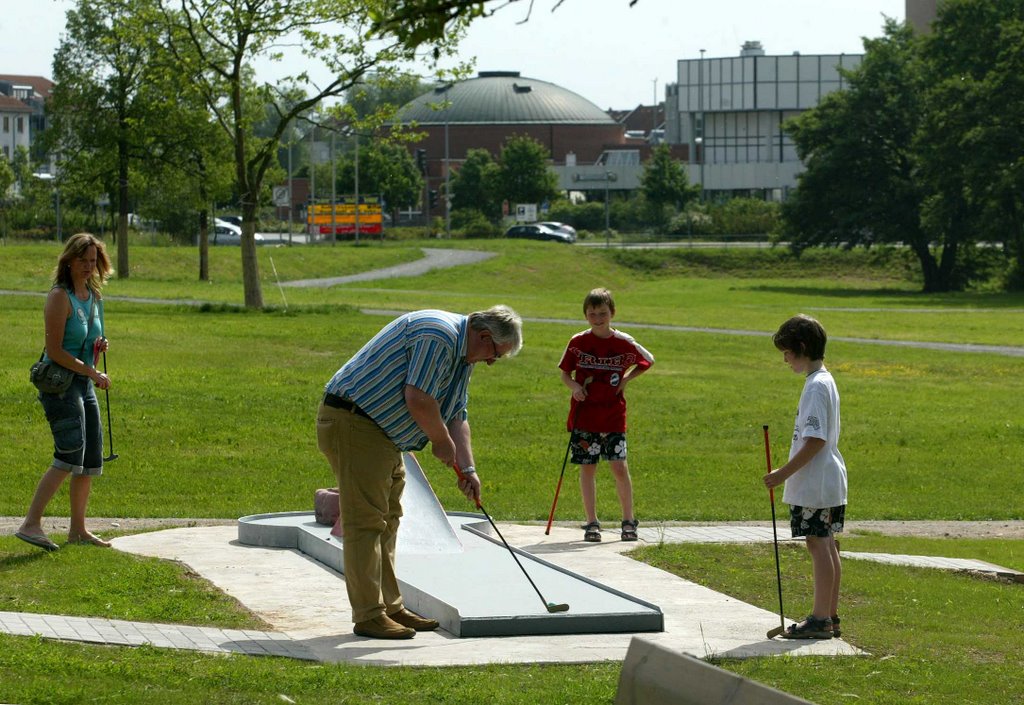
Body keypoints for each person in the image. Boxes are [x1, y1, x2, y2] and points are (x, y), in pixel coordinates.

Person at [316, 306, 522, 639]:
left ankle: (392, 607)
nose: (491, 362)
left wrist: (467, 469)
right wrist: (440, 441)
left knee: (389, 519)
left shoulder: (462, 356)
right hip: (354, 421)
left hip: (382, 433)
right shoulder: (438, 334)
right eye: (495, 354)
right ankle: (369, 615)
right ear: (484, 337)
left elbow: (457, 415)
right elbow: (419, 398)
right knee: (366, 522)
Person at [16, 233, 113, 552]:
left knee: (88, 458)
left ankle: (78, 531)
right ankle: (31, 524)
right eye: (82, 261)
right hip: (60, 384)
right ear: (68, 260)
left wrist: (98, 349)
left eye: (92, 261)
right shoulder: (59, 296)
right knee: (69, 454)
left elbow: (88, 336)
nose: (88, 267)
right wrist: (91, 371)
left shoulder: (94, 295)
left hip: (84, 383)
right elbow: (55, 350)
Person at [764, 314, 847, 639]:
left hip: (816, 483)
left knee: (818, 544)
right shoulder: (824, 380)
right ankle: (830, 615)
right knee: (827, 545)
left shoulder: (816, 387)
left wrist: (782, 474)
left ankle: (819, 618)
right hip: (827, 481)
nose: (785, 358)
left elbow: (815, 440)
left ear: (801, 348)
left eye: (786, 352)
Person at [558, 288, 653, 543]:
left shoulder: (623, 342)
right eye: (592, 314)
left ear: (612, 313)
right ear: (585, 315)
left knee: (619, 467)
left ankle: (628, 520)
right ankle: (591, 522)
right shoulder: (578, 342)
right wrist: (575, 387)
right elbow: (565, 373)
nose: (598, 318)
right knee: (588, 468)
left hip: (612, 416)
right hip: (585, 416)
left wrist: (626, 379)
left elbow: (647, 360)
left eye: (602, 313)